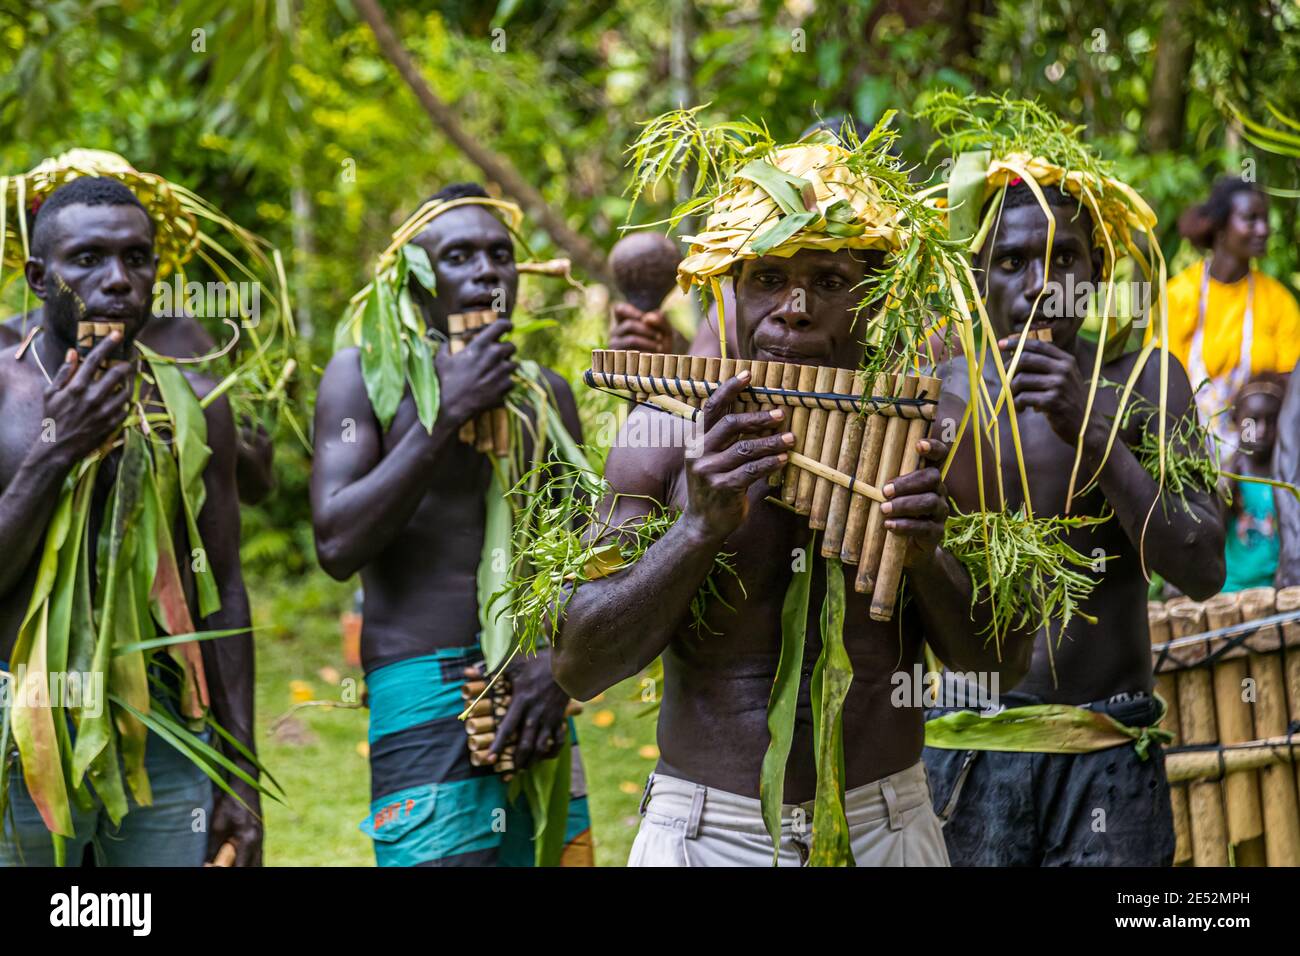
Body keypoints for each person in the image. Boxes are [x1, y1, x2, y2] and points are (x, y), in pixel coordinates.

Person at [553, 131, 1031, 867]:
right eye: (768, 279)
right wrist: (694, 532)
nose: (795, 310)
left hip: (886, 824)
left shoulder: (938, 436)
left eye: (831, 282)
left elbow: (1000, 669)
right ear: (728, 290)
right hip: (712, 831)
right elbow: (580, 663)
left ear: (877, 301)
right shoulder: (660, 432)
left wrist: (926, 557)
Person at [918, 104, 1227, 866]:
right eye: (1012, 261)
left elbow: (1202, 568)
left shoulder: (1146, 382)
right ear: (976, 272)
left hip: (1107, 758)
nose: (1039, 285)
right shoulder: (930, 388)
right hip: (965, 757)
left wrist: (1098, 433)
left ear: (1099, 270)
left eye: (1065, 260)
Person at [311, 183, 591, 866]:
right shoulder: (362, 377)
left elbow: (582, 550)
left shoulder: (544, 393)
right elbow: (337, 541)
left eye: (500, 255)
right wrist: (447, 412)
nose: (486, 271)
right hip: (422, 682)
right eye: (459, 255)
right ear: (416, 280)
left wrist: (554, 666)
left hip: (535, 684)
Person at [0, 176, 261, 865]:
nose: (117, 279)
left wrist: (241, 775)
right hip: (17, 728)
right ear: (36, 277)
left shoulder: (196, 404)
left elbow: (224, 588)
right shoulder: (3, 394)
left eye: (136, 258)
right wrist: (57, 447)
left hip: (168, 726)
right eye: (86, 260)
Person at [1168, 178, 1300, 440]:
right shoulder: (1177, 296)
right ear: (1220, 228)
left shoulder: (1278, 301)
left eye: (1265, 220)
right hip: (1185, 446)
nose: (1263, 230)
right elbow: (1162, 383)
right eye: (1250, 219)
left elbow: (1293, 389)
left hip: (1259, 458)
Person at [1221, 374, 1286, 592]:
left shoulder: (1287, 477)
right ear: (1236, 420)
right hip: (1230, 591)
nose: (1262, 431)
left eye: (1272, 421)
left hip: (1276, 591)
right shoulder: (1228, 476)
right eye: (1252, 421)